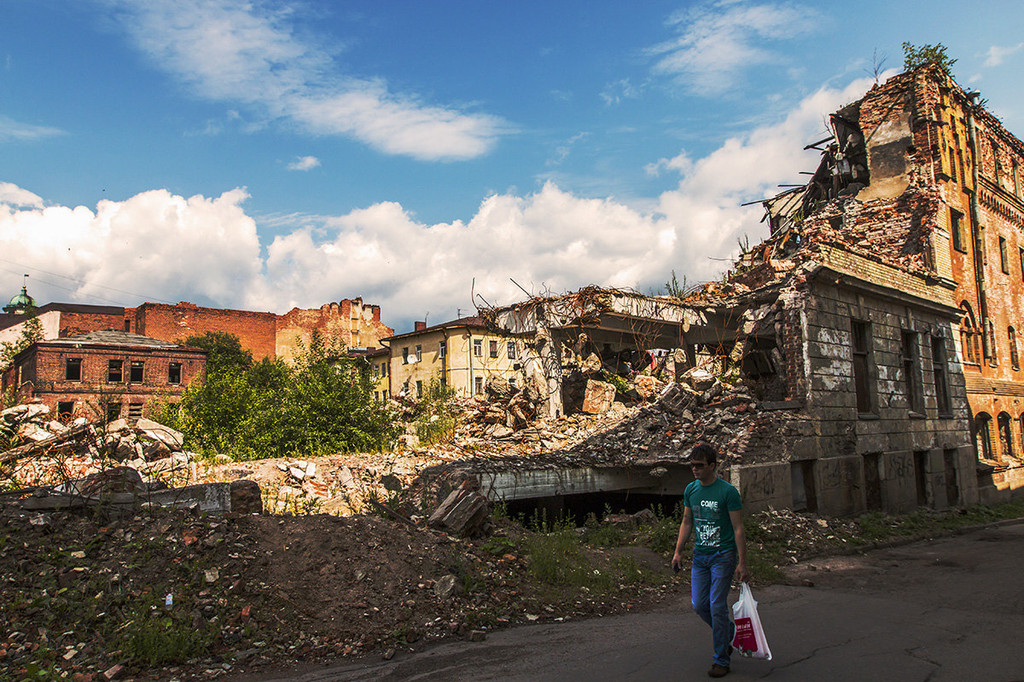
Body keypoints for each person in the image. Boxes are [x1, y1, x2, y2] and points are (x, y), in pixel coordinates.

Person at [672, 443, 749, 678]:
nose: (695, 469)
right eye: (692, 465)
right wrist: (678, 551)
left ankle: (721, 660)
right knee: (699, 605)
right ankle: (728, 633)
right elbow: (687, 522)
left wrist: (742, 563)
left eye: (700, 465)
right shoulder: (691, 490)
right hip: (701, 556)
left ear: (712, 466)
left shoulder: (727, 492)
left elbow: (738, 528)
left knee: (717, 606)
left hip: (722, 556)